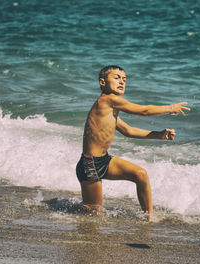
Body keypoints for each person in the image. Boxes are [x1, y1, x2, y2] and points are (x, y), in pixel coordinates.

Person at [76, 65, 190, 219]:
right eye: (116, 78)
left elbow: (128, 130)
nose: (122, 82)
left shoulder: (110, 109)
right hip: (90, 164)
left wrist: (159, 135)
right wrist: (170, 108)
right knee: (93, 215)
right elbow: (144, 110)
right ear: (102, 82)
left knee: (140, 174)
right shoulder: (109, 100)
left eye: (124, 79)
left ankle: (149, 217)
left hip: (104, 160)